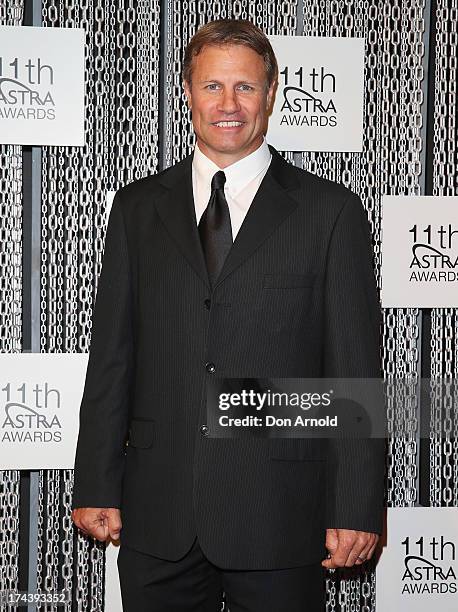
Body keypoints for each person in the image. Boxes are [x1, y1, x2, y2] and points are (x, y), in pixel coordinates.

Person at [71, 18, 385, 612]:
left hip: (280, 514)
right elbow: (112, 356)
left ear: (271, 95)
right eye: (212, 87)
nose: (229, 104)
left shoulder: (330, 211)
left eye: (245, 87)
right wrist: (95, 481)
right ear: (188, 93)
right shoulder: (138, 207)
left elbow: (353, 370)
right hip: (159, 514)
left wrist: (355, 505)